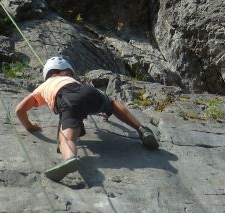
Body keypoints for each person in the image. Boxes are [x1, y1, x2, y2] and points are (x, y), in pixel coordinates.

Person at [15, 56, 159, 182]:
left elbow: (20, 110)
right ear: (67, 71)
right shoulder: (69, 77)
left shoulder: (43, 86)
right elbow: (83, 99)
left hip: (67, 99)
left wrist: (30, 126)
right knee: (112, 103)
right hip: (88, 91)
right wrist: (104, 109)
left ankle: (70, 158)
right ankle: (142, 129)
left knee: (67, 138)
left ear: (47, 74)